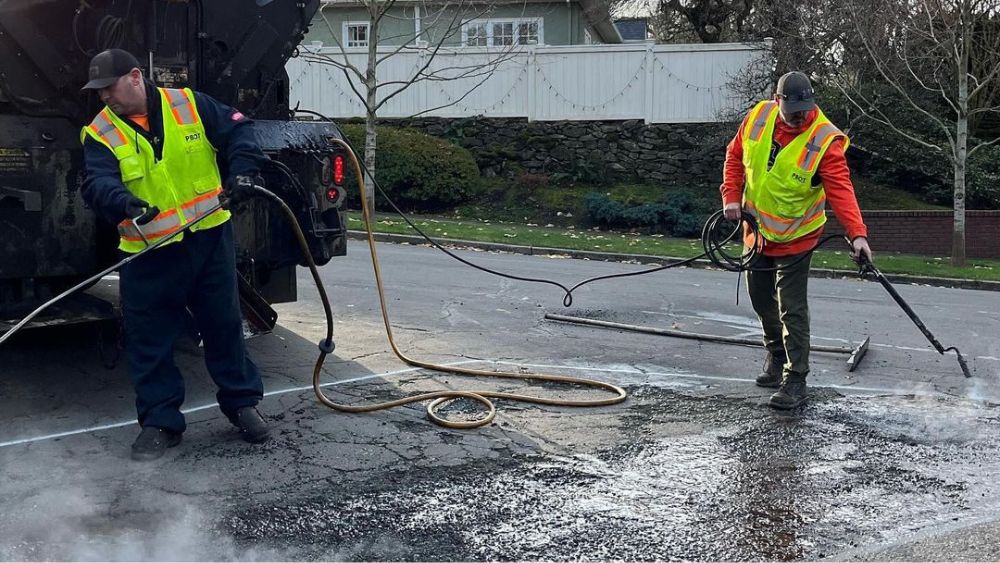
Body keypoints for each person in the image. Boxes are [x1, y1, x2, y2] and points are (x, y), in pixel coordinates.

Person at [80, 49, 269, 460]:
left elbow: (239, 131)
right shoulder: (99, 132)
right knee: (149, 340)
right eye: (99, 92)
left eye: (110, 87)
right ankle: (160, 422)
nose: (105, 97)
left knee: (223, 326)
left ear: (135, 76)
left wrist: (243, 173)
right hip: (149, 251)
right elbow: (96, 184)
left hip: (208, 239)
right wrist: (123, 202)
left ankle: (242, 404)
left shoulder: (189, 104)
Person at [719, 71, 873, 410]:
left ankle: (796, 378)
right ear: (777, 102)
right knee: (761, 300)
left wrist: (857, 234)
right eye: (793, 112)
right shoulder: (759, 116)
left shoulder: (825, 140)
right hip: (757, 233)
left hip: (797, 238)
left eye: (805, 110)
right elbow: (734, 157)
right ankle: (776, 356)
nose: (800, 117)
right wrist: (731, 197)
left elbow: (842, 191)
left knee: (792, 309)